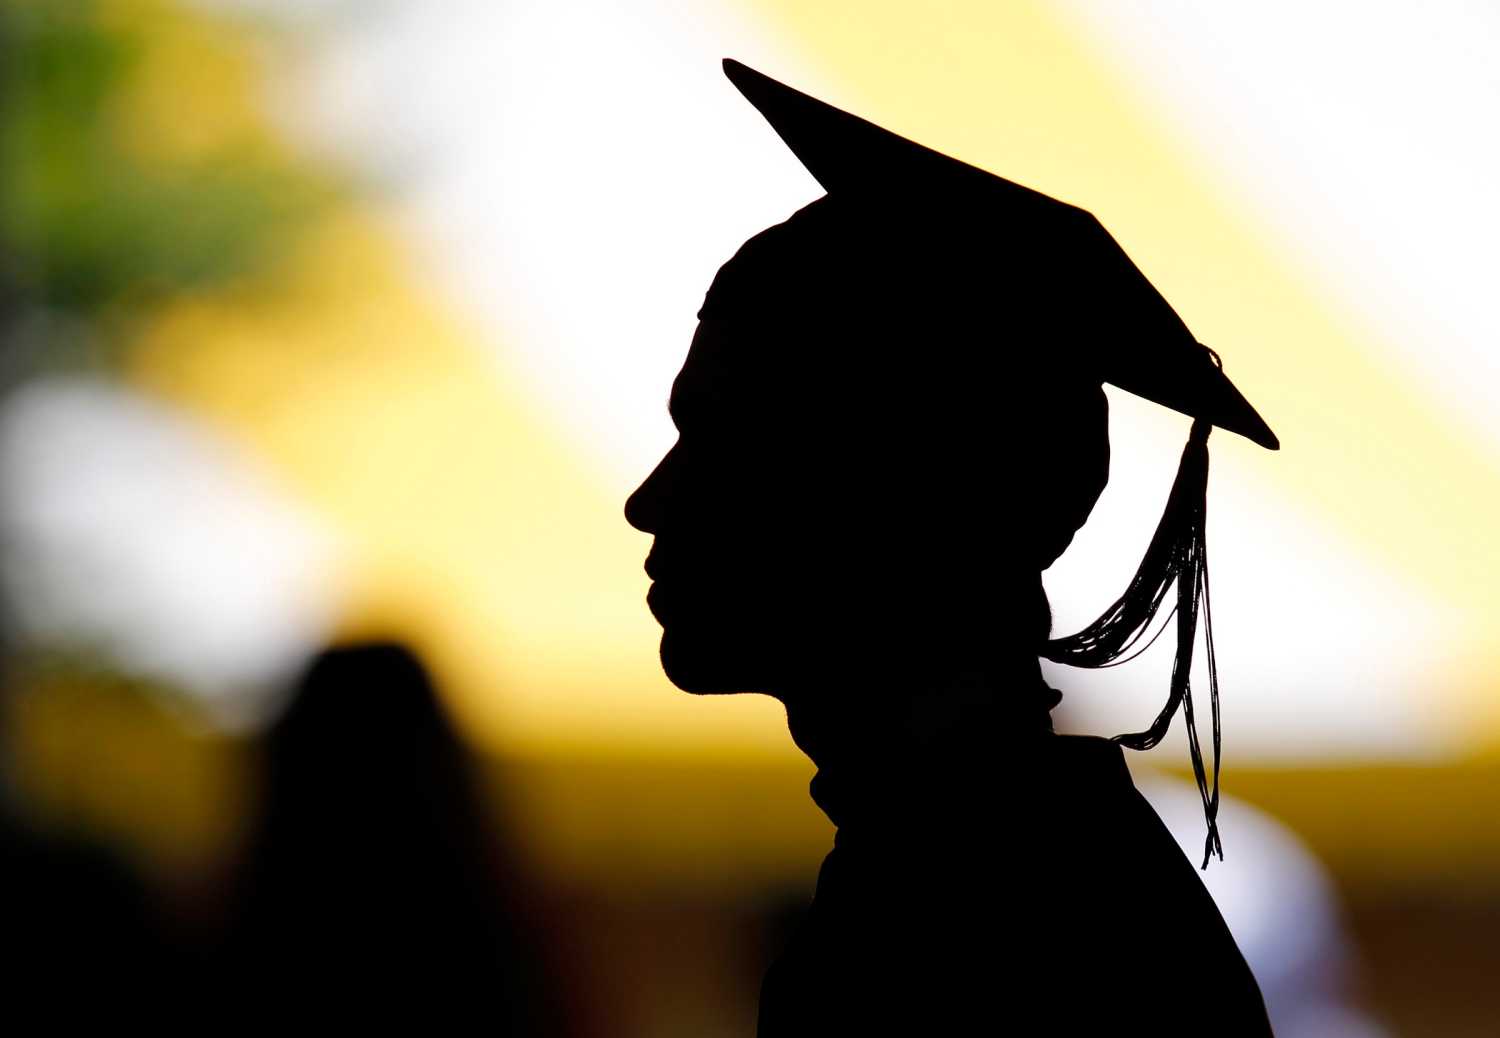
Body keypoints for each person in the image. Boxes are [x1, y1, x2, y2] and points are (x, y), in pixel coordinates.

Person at [626, 59, 1276, 1035]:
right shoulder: (996, 870)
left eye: (729, 441)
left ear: (891, 496)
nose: (650, 502)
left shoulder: (995, 932)